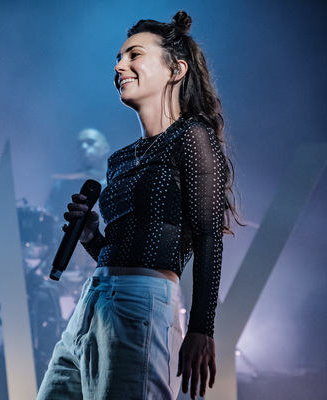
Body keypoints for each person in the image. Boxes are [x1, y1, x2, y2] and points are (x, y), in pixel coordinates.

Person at [37, 10, 240, 400]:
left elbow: (208, 234)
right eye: (118, 57)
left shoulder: (192, 136)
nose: (119, 65)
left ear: (175, 69)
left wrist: (202, 327)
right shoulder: (120, 158)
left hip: (141, 305)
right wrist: (93, 237)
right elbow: (119, 248)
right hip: (93, 301)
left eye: (134, 55)